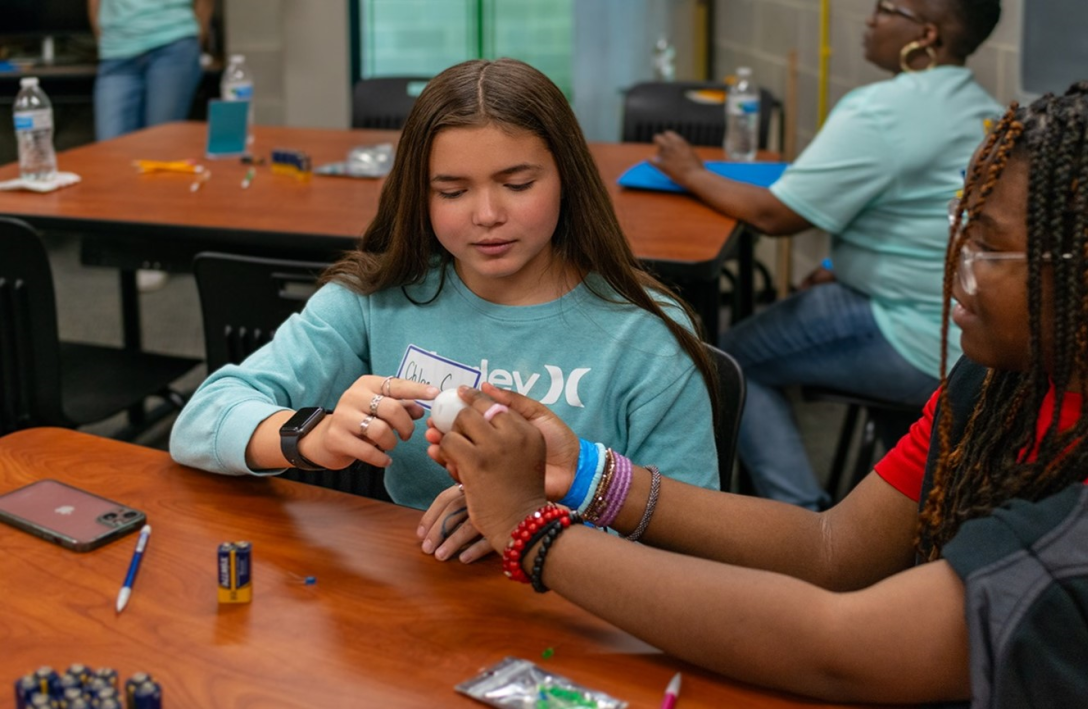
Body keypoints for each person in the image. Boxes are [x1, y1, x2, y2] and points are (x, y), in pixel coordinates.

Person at [428, 83, 1088, 705]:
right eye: (964, 224)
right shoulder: (1052, 366)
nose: (955, 264)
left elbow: (836, 640)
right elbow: (833, 545)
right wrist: (582, 474)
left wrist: (531, 531)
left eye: (987, 245)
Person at [170, 59, 720, 563]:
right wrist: (312, 437)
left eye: (518, 184)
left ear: (567, 181)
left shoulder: (646, 336)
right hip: (419, 599)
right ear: (421, 195)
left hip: (582, 617)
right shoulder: (378, 296)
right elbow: (200, 421)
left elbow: (698, 542)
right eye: (453, 191)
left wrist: (529, 526)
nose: (487, 214)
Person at [649, 0, 1004, 509]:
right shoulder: (982, 107)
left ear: (925, 35)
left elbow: (776, 216)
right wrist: (841, 264)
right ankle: (899, 520)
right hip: (962, 332)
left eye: (886, 9)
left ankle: (798, 521)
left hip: (908, 328)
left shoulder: (883, 109)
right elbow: (924, 215)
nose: (871, 19)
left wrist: (690, 172)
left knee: (730, 362)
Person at [89, 0, 214, 291]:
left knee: (162, 153)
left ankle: (155, 255)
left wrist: (196, 37)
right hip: (117, 50)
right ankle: (129, 251)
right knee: (109, 158)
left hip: (172, 41)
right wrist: (106, 37)